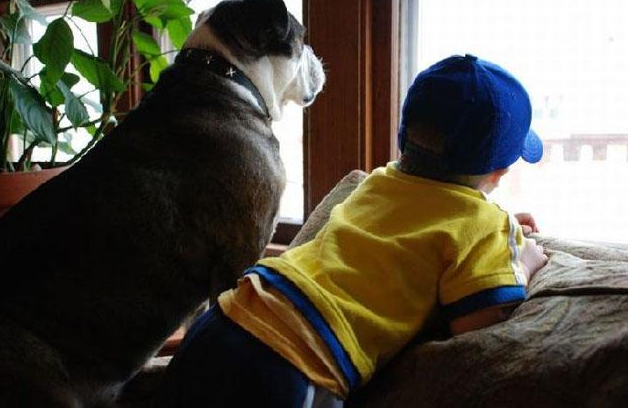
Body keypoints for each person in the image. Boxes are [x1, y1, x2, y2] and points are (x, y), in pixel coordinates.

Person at [159, 54, 549, 408]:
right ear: (501, 170)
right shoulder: (486, 226)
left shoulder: (378, 183)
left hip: (229, 318)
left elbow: (428, 216)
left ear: (405, 135)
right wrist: (523, 264)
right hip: (294, 360)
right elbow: (475, 326)